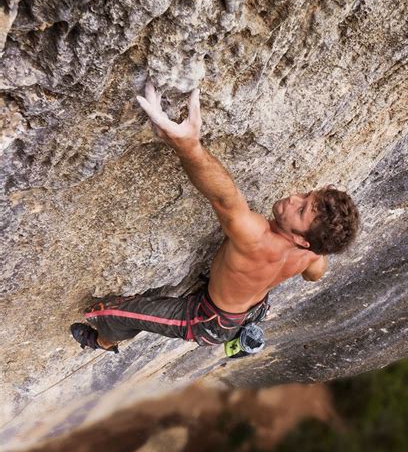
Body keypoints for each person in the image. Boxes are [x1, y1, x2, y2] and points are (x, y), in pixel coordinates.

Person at [71, 79, 359, 353]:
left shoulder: (256, 238)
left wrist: (189, 146)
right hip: (252, 309)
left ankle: (103, 343)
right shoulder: (313, 253)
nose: (293, 198)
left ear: (301, 239)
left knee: (110, 312)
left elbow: (225, 198)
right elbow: (315, 274)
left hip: (208, 323)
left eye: (300, 210)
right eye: (306, 195)